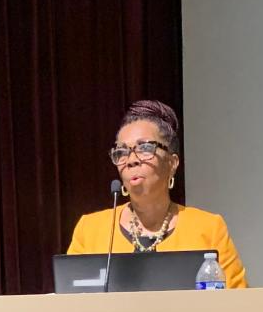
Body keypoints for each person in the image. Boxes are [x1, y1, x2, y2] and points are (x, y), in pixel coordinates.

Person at [66, 100, 248, 288]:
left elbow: (238, 303)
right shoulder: (90, 230)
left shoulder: (208, 229)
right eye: (121, 152)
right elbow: (69, 303)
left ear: (172, 162)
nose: (131, 160)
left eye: (145, 148)